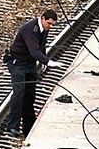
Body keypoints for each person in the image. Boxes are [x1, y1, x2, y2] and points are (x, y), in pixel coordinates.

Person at [4, 9, 63, 137]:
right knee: (19, 93)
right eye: (49, 23)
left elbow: (41, 47)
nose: (50, 27)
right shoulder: (30, 29)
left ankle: (28, 127)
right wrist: (47, 62)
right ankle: (12, 126)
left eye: (53, 24)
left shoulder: (44, 30)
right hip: (17, 63)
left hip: (29, 63)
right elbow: (34, 50)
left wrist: (42, 62)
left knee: (30, 95)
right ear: (42, 18)